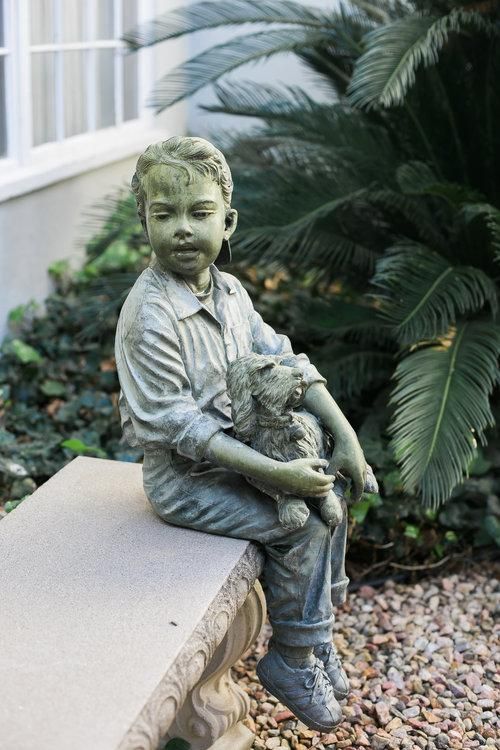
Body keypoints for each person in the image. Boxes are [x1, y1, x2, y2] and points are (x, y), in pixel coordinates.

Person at [115, 136, 377, 732]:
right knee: (296, 517)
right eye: (166, 214)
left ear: (227, 220)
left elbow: (283, 357)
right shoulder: (150, 314)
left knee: (327, 483)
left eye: (199, 213)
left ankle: (316, 636)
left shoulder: (230, 293)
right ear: (144, 220)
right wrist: (277, 475)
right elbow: (182, 427)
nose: (183, 229)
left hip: (242, 455)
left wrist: (346, 438)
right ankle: (291, 655)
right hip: (187, 480)